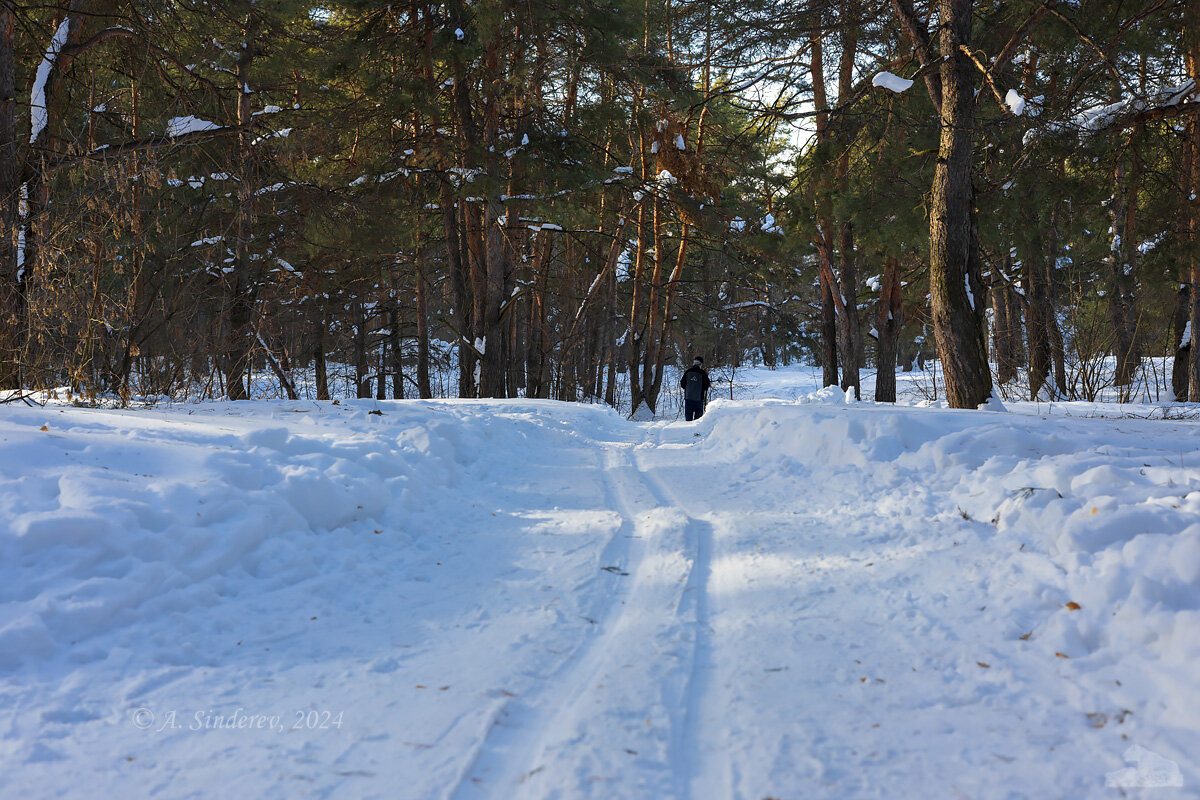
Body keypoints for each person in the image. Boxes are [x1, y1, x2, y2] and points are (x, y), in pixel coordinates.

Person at [680, 356, 711, 421]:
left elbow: (682, 384)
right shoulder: (703, 373)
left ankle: (688, 431)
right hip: (699, 400)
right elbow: (707, 385)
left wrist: (689, 389)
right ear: (701, 364)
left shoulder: (688, 372)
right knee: (698, 421)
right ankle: (696, 431)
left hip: (688, 399)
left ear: (694, 363)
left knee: (688, 420)